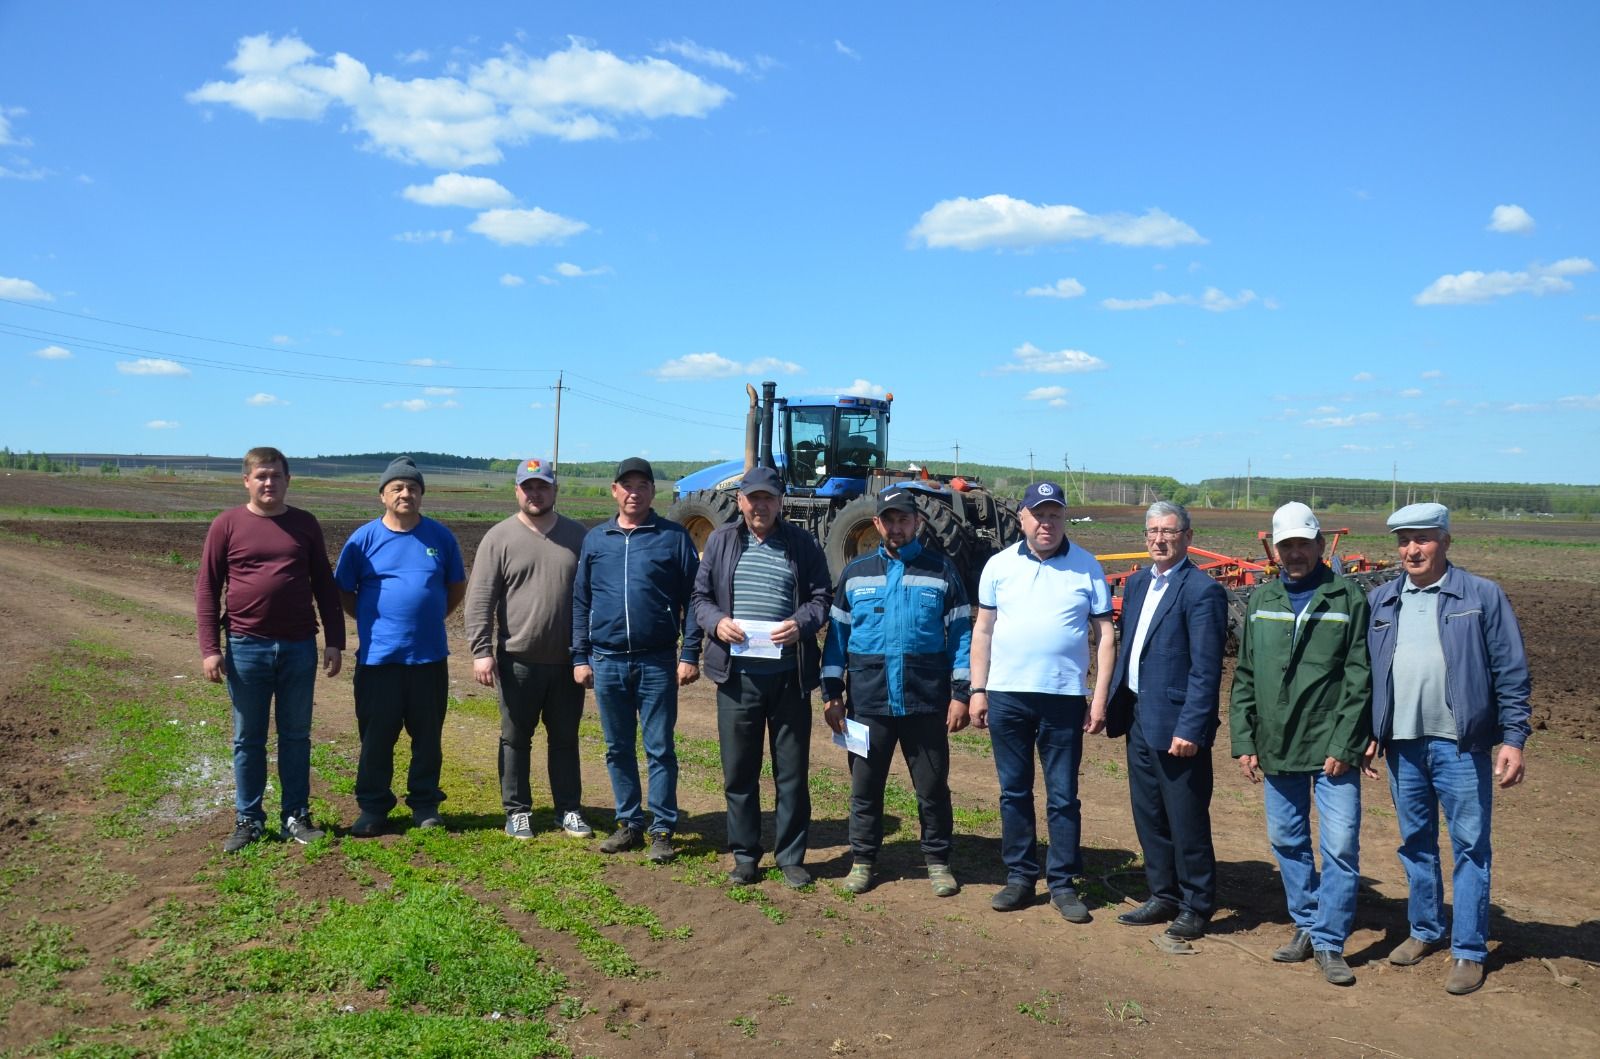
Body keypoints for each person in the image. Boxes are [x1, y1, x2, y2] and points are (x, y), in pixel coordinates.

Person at [1366, 502, 1532, 996]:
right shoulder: (1382, 601)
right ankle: (1424, 930)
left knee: (1469, 849)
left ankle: (1469, 950)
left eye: (1423, 539)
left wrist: (1514, 739)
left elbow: (1511, 670)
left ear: (1445, 541)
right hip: (1403, 745)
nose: (1412, 550)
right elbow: (1367, 673)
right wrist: (1367, 732)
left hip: (1461, 746)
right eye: (1403, 541)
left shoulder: (1480, 595)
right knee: (1415, 843)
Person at [1230, 501, 1373, 986]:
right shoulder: (1262, 600)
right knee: (1287, 840)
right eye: (1286, 545)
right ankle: (1308, 924)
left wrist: (1346, 742)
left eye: (1303, 544)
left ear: (1318, 544)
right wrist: (1244, 739)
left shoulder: (1347, 597)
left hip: (1331, 749)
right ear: (1275, 548)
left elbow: (1360, 678)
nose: (1295, 553)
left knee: (1339, 845)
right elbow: (1245, 675)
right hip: (1276, 743)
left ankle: (1330, 941)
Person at [969, 481, 1115, 923]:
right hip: (1008, 695)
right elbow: (983, 631)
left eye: (1054, 515)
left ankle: (1063, 883)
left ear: (1063, 519)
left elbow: (1105, 635)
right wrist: (978, 688)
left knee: (1063, 796)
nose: (1046, 522)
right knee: (1014, 791)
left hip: (1064, 697)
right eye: (1038, 514)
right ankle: (1019, 876)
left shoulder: (1087, 567)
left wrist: (1100, 697)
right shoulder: (997, 566)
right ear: (1023, 519)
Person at [822, 487, 972, 897]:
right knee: (865, 789)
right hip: (869, 703)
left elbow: (961, 636)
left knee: (932, 788)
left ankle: (938, 861)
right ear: (877, 524)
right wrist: (832, 693)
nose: (896, 527)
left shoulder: (942, 571)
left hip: (926, 701)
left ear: (917, 523)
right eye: (888, 520)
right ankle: (863, 860)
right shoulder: (855, 574)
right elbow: (836, 638)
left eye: (904, 519)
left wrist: (961, 693)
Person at [196, 446, 344, 853]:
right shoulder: (227, 525)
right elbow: (208, 588)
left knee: (296, 736)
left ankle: (296, 816)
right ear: (246, 480)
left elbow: (324, 585)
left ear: (287, 480)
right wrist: (211, 648)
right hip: (246, 648)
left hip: (299, 647)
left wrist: (335, 640)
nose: (268, 483)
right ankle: (249, 820)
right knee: (248, 739)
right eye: (260, 476)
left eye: (275, 476)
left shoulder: (304, 524)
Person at [691, 466, 832, 888]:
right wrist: (716, 623)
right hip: (737, 679)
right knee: (739, 771)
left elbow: (822, 597)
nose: (761, 505)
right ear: (740, 502)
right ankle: (745, 855)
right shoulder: (720, 541)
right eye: (753, 498)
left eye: (768, 498)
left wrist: (802, 623)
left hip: (788, 677)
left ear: (780, 502)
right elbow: (699, 598)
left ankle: (790, 857)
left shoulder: (801, 543)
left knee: (791, 773)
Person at [1105, 500, 1228, 940]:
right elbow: (1130, 648)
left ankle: (1197, 903)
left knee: (1186, 816)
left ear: (1187, 538)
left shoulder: (1202, 591)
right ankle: (1162, 893)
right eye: (1153, 531)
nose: (1159, 539)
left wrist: (1191, 728)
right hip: (1139, 714)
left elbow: (1206, 668)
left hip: (1177, 724)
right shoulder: (1138, 584)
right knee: (1149, 814)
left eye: (1169, 532)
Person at [572, 457, 702, 863]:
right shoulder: (597, 539)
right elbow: (580, 600)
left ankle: (662, 828)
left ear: (652, 491)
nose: (633, 492)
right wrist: (580, 656)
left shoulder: (673, 537)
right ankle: (629, 823)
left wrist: (689, 653)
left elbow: (694, 601)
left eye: (642, 485)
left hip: (657, 661)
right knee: (617, 747)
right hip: (607, 660)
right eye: (626, 485)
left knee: (660, 748)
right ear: (614, 491)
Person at [334, 456, 466, 837]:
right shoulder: (363, 540)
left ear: (422, 494)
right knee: (376, 737)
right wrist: (370, 618)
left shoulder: (439, 538)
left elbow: (455, 586)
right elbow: (343, 589)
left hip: (428, 658)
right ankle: (373, 808)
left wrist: (431, 613)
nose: (405, 493)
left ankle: (424, 804)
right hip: (379, 659)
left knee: (427, 737)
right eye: (397, 488)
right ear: (383, 496)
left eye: (412, 487)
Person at [464, 457, 593, 842]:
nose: (535, 493)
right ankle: (517, 811)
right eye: (528, 487)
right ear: (517, 491)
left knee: (566, 738)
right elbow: (480, 598)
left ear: (555, 490)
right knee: (515, 738)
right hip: (517, 659)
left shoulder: (577, 536)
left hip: (568, 660)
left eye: (542, 486)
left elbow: (593, 597)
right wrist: (481, 650)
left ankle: (568, 810)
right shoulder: (499, 537)